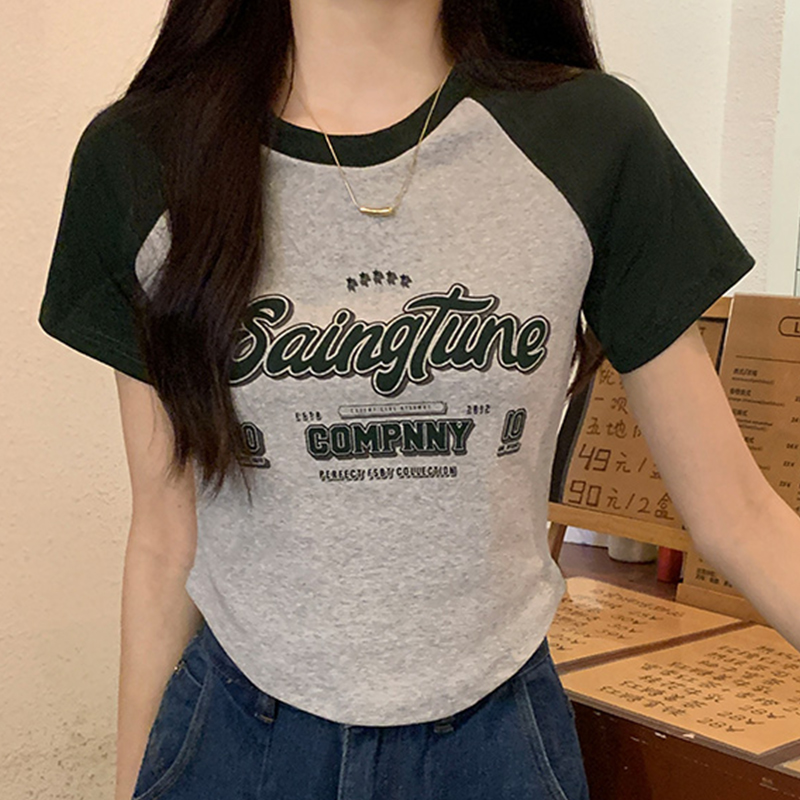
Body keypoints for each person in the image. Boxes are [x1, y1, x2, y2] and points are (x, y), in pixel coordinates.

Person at [38, 0, 800, 798]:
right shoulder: (145, 156)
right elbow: (166, 538)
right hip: (234, 736)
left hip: (494, 742)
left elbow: (739, 514)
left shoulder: (591, 139)